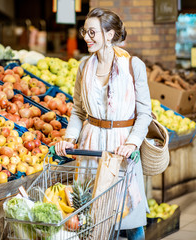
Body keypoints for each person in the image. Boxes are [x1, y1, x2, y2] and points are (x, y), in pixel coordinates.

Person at [55, 8, 152, 240]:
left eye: (92, 32)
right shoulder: (83, 66)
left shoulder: (133, 66)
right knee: (93, 213)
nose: (86, 38)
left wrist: (132, 143)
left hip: (121, 145)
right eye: (84, 32)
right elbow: (78, 110)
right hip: (92, 145)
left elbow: (145, 112)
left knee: (128, 213)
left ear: (109, 35)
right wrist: (70, 138)